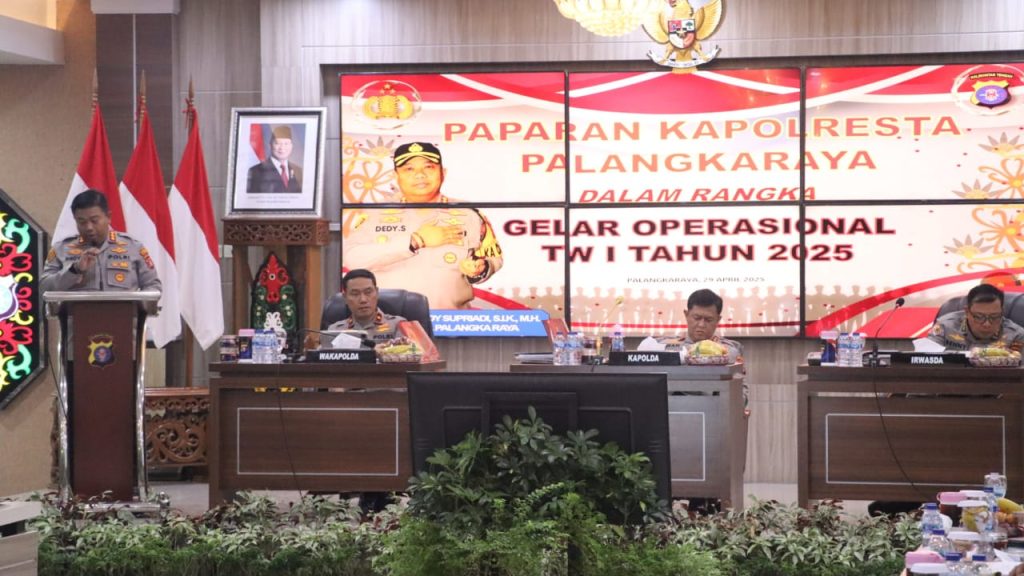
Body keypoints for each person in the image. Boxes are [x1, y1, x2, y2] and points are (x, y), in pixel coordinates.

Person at [342, 142, 503, 309]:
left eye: (429, 167)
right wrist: (415, 241)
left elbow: (493, 258)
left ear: (443, 172)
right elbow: (353, 259)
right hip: (390, 320)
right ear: (396, 176)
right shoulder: (374, 214)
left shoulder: (469, 213)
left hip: (450, 319)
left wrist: (481, 269)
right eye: (409, 169)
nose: (420, 175)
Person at [42, 189, 161, 293]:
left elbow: (153, 286)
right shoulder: (61, 248)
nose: (89, 227)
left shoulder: (133, 247)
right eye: (82, 222)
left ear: (108, 217)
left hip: (123, 312)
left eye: (94, 221)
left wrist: (137, 307)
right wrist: (75, 270)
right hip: (76, 312)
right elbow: (44, 287)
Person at [927, 283, 1024, 351]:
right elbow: (927, 358)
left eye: (994, 317)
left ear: (1002, 312)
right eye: (979, 317)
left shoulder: (1016, 335)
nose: (987, 324)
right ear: (967, 312)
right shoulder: (945, 327)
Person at [327, 268, 405, 343]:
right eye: (355, 294)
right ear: (345, 298)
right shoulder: (334, 330)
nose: (363, 300)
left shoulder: (398, 325)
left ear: (377, 293)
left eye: (368, 292)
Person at [680, 288, 743, 363]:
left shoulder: (729, 351)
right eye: (697, 318)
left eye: (708, 320)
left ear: (718, 319)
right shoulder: (670, 347)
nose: (701, 325)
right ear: (686, 315)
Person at [246, 125, 303, 193]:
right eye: (277, 143)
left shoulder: (298, 171)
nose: (282, 148)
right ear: (270, 145)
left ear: (291, 146)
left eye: (286, 143)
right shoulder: (256, 171)